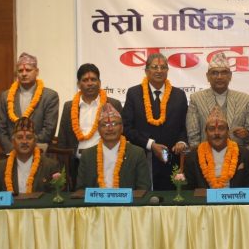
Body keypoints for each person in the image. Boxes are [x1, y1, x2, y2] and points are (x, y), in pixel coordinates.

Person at [122, 53, 188, 190]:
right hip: (143, 156)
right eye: (154, 67)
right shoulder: (134, 94)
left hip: (171, 158)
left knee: (170, 198)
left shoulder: (179, 95)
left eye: (163, 67)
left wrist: (181, 141)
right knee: (144, 196)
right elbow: (126, 127)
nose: (159, 71)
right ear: (146, 71)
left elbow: (184, 126)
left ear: (167, 71)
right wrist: (150, 144)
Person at [57, 63, 123, 180]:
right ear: (78, 84)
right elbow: (63, 139)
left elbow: (122, 134)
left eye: (93, 79)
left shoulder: (113, 104)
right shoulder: (69, 107)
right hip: (76, 164)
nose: (90, 83)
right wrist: (62, 169)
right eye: (85, 80)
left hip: (107, 162)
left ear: (99, 82)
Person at [186, 51, 249, 148]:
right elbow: (193, 136)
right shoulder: (196, 99)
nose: (219, 77)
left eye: (224, 73)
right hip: (205, 154)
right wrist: (197, 155)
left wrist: (247, 134)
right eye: (214, 73)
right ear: (207, 76)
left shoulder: (244, 99)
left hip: (237, 153)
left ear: (230, 76)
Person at [76, 103, 151, 190]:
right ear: (98, 130)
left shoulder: (137, 153)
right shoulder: (87, 155)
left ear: (122, 128)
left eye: (114, 124)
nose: (110, 128)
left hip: (128, 199)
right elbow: (80, 189)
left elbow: (144, 187)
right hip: (97, 198)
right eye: (105, 125)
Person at [0, 52, 60, 154]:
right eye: (20, 70)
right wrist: (13, 150)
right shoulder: (5, 96)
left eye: (28, 70)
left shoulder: (49, 96)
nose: (24, 74)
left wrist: (27, 148)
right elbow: (1, 130)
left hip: (39, 152)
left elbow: (49, 129)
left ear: (37, 72)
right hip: (12, 153)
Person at [184, 106, 249, 189]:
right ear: (206, 132)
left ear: (227, 131)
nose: (216, 133)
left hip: (235, 197)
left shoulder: (245, 155)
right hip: (205, 197)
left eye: (221, 128)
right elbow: (189, 190)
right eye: (212, 129)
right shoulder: (192, 157)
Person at [0, 117, 61, 193]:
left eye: (29, 137)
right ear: (13, 142)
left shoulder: (50, 166)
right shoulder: (0, 168)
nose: (24, 141)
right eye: (19, 137)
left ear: (35, 141)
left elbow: (57, 195)